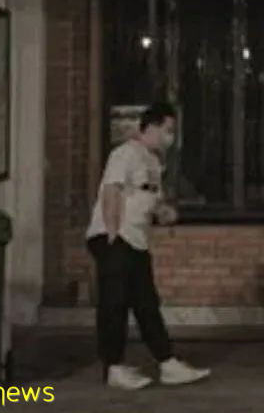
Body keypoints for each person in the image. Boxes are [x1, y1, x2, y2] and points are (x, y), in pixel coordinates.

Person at [85, 102, 210, 390]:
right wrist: (113, 234)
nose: (170, 137)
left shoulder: (154, 162)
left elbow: (152, 200)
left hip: (136, 241)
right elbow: (112, 190)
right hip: (116, 237)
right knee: (114, 303)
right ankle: (114, 366)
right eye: (167, 130)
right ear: (151, 127)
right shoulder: (125, 153)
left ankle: (167, 363)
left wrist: (164, 212)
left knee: (146, 303)